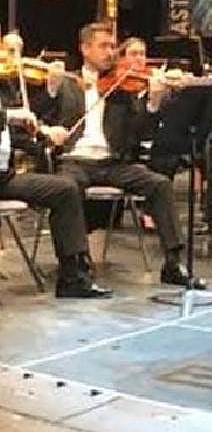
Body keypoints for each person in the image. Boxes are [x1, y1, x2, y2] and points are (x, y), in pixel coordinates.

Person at [37, 23, 203, 289]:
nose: (110, 52)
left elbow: (139, 132)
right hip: (75, 161)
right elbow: (36, 118)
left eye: (113, 46)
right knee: (65, 188)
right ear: (85, 49)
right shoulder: (67, 82)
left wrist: (153, 103)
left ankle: (173, 263)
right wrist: (51, 90)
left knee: (160, 184)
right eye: (103, 46)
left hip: (113, 163)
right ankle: (75, 265)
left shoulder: (121, 87)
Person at [0, 103, 110, 298]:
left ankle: (72, 278)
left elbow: (11, 139)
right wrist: (10, 115)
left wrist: (44, 136)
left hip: (4, 179)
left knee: (65, 190)